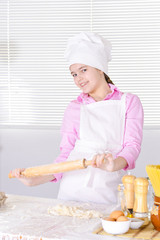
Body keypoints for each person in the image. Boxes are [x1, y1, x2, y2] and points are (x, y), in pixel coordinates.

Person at [10, 32, 144, 204]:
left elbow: (132, 147)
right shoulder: (74, 108)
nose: (78, 78)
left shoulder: (129, 102)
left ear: (100, 68)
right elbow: (65, 157)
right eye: (73, 74)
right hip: (71, 193)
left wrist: (112, 164)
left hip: (108, 193)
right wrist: (34, 179)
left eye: (83, 70)